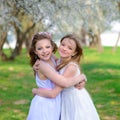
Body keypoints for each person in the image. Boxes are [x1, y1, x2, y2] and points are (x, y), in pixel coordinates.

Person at [32, 34, 100, 120]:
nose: (64, 48)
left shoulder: (71, 67)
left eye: (70, 48)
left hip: (73, 100)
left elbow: (64, 84)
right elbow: (44, 47)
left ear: (74, 52)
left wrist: (82, 77)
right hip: (60, 99)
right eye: (63, 45)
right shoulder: (58, 60)